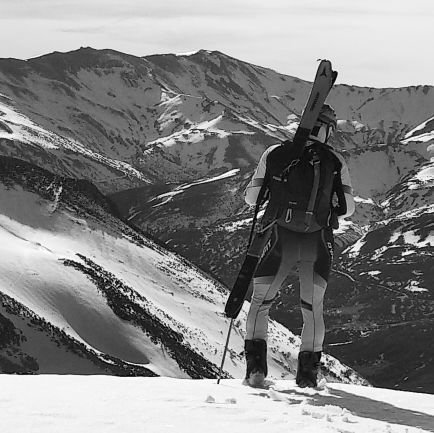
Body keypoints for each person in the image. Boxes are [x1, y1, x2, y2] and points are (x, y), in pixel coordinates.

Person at [243, 104, 355, 388]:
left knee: (260, 303)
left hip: (280, 239)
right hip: (317, 242)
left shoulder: (276, 153)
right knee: (312, 308)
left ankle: (255, 369)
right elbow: (348, 209)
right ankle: (307, 375)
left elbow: (251, 197)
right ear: (327, 129)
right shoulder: (334, 160)